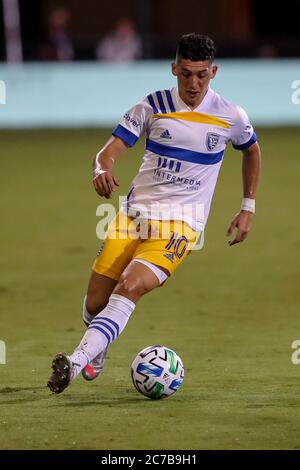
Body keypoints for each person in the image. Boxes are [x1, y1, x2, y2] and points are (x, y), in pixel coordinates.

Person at [47, 33, 261, 394]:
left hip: (182, 224)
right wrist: (101, 169)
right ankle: (96, 354)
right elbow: (109, 150)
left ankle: (76, 360)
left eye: (202, 75)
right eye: (187, 74)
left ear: (214, 72)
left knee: (131, 285)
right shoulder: (152, 105)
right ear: (174, 69)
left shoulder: (230, 115)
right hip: (133, 216)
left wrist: (247, 207)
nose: (194, 84)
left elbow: (252, 152)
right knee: (96, 302)